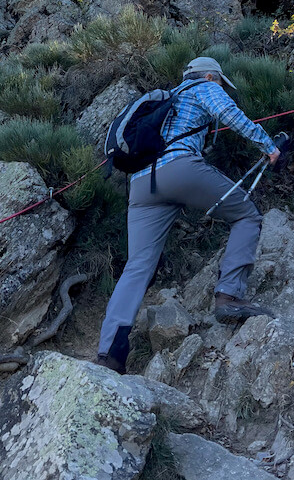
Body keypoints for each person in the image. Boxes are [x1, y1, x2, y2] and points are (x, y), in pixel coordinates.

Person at [96, 57, 280, 374]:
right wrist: (267, 145)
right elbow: (227, 113)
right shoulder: (203, 86)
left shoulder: (165, 101)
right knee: (247, 215)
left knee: (137, 266)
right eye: (221, 83)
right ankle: (229, 297)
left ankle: (109, 355)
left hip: (141, 185)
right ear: (210, 76)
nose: (221, 88)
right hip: (178, 169)